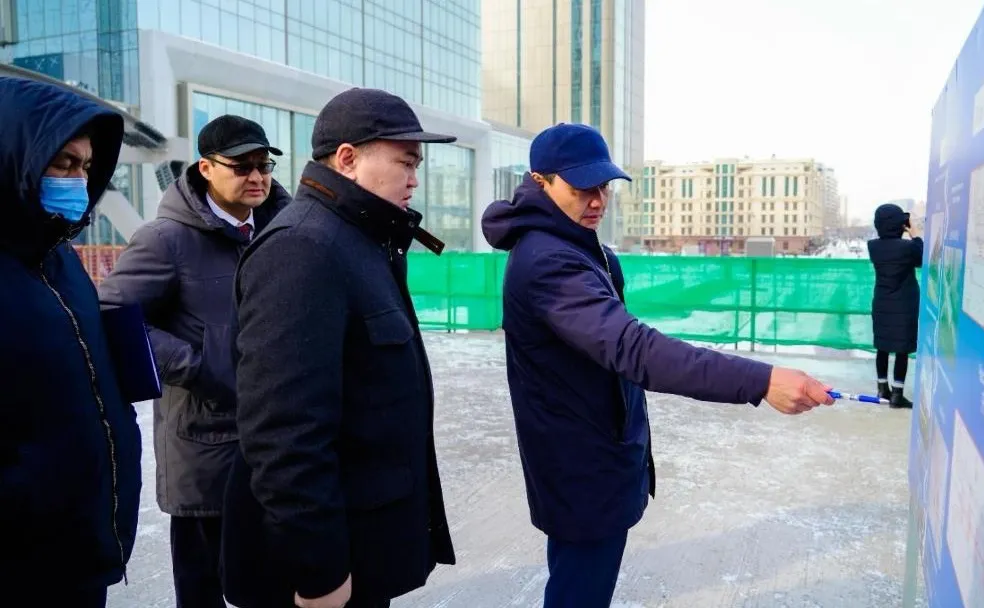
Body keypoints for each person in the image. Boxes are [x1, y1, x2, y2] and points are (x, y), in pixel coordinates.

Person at [480, 122, 836, 607]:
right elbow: (633, 349)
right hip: (579, 463)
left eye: (604, 187)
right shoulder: (548, 260)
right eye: (582, 188)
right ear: (540, 181)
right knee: (579, 591)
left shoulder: (579, 246)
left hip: (596, 451)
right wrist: (761, 380)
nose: (598, 201)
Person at [221, 88, 457, 608]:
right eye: (405, 162)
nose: (414, 179)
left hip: (363, 543)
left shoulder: (358, 240)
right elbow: (283, 432)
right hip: (325, 569)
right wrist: (319, 572)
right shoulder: (303, 247)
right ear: (348, 159)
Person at [97, 115, 292, 608]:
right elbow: (113, 315)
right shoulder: (166, 240)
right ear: (206, 168)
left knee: (273, 586)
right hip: (206, 451)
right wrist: (198, 366)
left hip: (275, 444)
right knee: (205, 591)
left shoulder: (283, 230)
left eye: (264, 165)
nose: (257, 177)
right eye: (242, 166)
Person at [0, 76, 142, 606]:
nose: (78, 180)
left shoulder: (61, 260)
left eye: (85, 166)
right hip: (20, 564)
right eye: (62, 163)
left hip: (85, 549)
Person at [867, 202, 923, 409]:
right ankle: (897, 394)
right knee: (902, 350)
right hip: (904, 305)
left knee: (882, 347)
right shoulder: (907, 248)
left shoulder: (873, 247)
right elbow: (921, 258)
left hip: (882, 302)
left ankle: (882, 389)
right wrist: (915, 235)